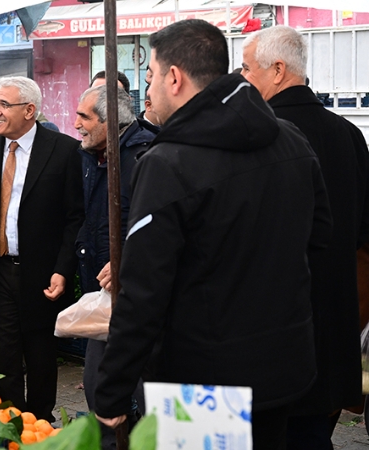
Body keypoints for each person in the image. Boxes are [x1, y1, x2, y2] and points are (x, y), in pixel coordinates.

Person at [93, 19, 332, 450]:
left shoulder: (168, 164)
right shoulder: (292, 141)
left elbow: (143, 292)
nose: (147, 91)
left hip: (199, 384)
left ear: (174, 77)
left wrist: (110, 391)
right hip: (280, 370)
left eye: (150, 76)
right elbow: (318, 245)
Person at [242, 25, 369, 449]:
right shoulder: (350, 136)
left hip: (268, 338)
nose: (242, 79)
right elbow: (363, 243)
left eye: (247, 68)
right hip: (334, 332)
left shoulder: (258, 136)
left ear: (277, 70)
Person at [0, 76, 84, 422]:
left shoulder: (63, 151)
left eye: (2, 105)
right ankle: (11, 423)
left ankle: (41, 423)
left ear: (29, 111)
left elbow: (75, 219)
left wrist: (62, 269)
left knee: (41, 355)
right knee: (3, 357)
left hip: (41, 275)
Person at [75, 86, 157, 449]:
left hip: (132, 296)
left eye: (84, 118)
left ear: (109, 123)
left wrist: (124, 257)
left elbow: (152, 223)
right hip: (103, 294)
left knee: (120, 391)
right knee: (100, 388)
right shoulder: (94, 156)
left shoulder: (143, 155)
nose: (76, 124)